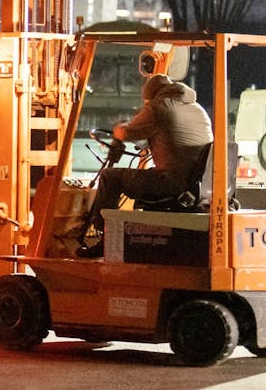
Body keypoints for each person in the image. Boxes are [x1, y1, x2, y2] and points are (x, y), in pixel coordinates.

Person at [79, 72, 213, 257]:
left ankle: (102, 237)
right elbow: (165, 137)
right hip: (195, 184)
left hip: (171, 183)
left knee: (110, 177)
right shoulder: (197, 108)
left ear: (151, 96)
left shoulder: (158, 107)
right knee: (146, 171)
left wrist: (119, 128)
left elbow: (125, 133)